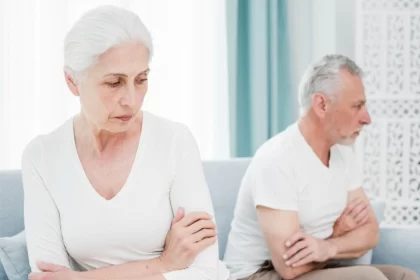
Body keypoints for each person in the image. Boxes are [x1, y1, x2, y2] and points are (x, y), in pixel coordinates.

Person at [21, 5, 230, 280]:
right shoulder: (42, 156)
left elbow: (204, 271)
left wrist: (82, 279)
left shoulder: (175, 141)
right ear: (72, 82)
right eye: (114, 83)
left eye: (141, 79)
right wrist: (163, 264)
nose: (131, 99)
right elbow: (47, 277)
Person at [223, 54, 419, 280]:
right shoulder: (277, 159)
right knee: (369, 278)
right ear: (321, 104)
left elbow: (370, 233)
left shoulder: (343, 153)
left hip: (316, 268)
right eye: (357, 106)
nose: (367, 118)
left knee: (404, 277)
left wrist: (329, 246)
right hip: (259, 274)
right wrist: (337, 238)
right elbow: (290, 267)